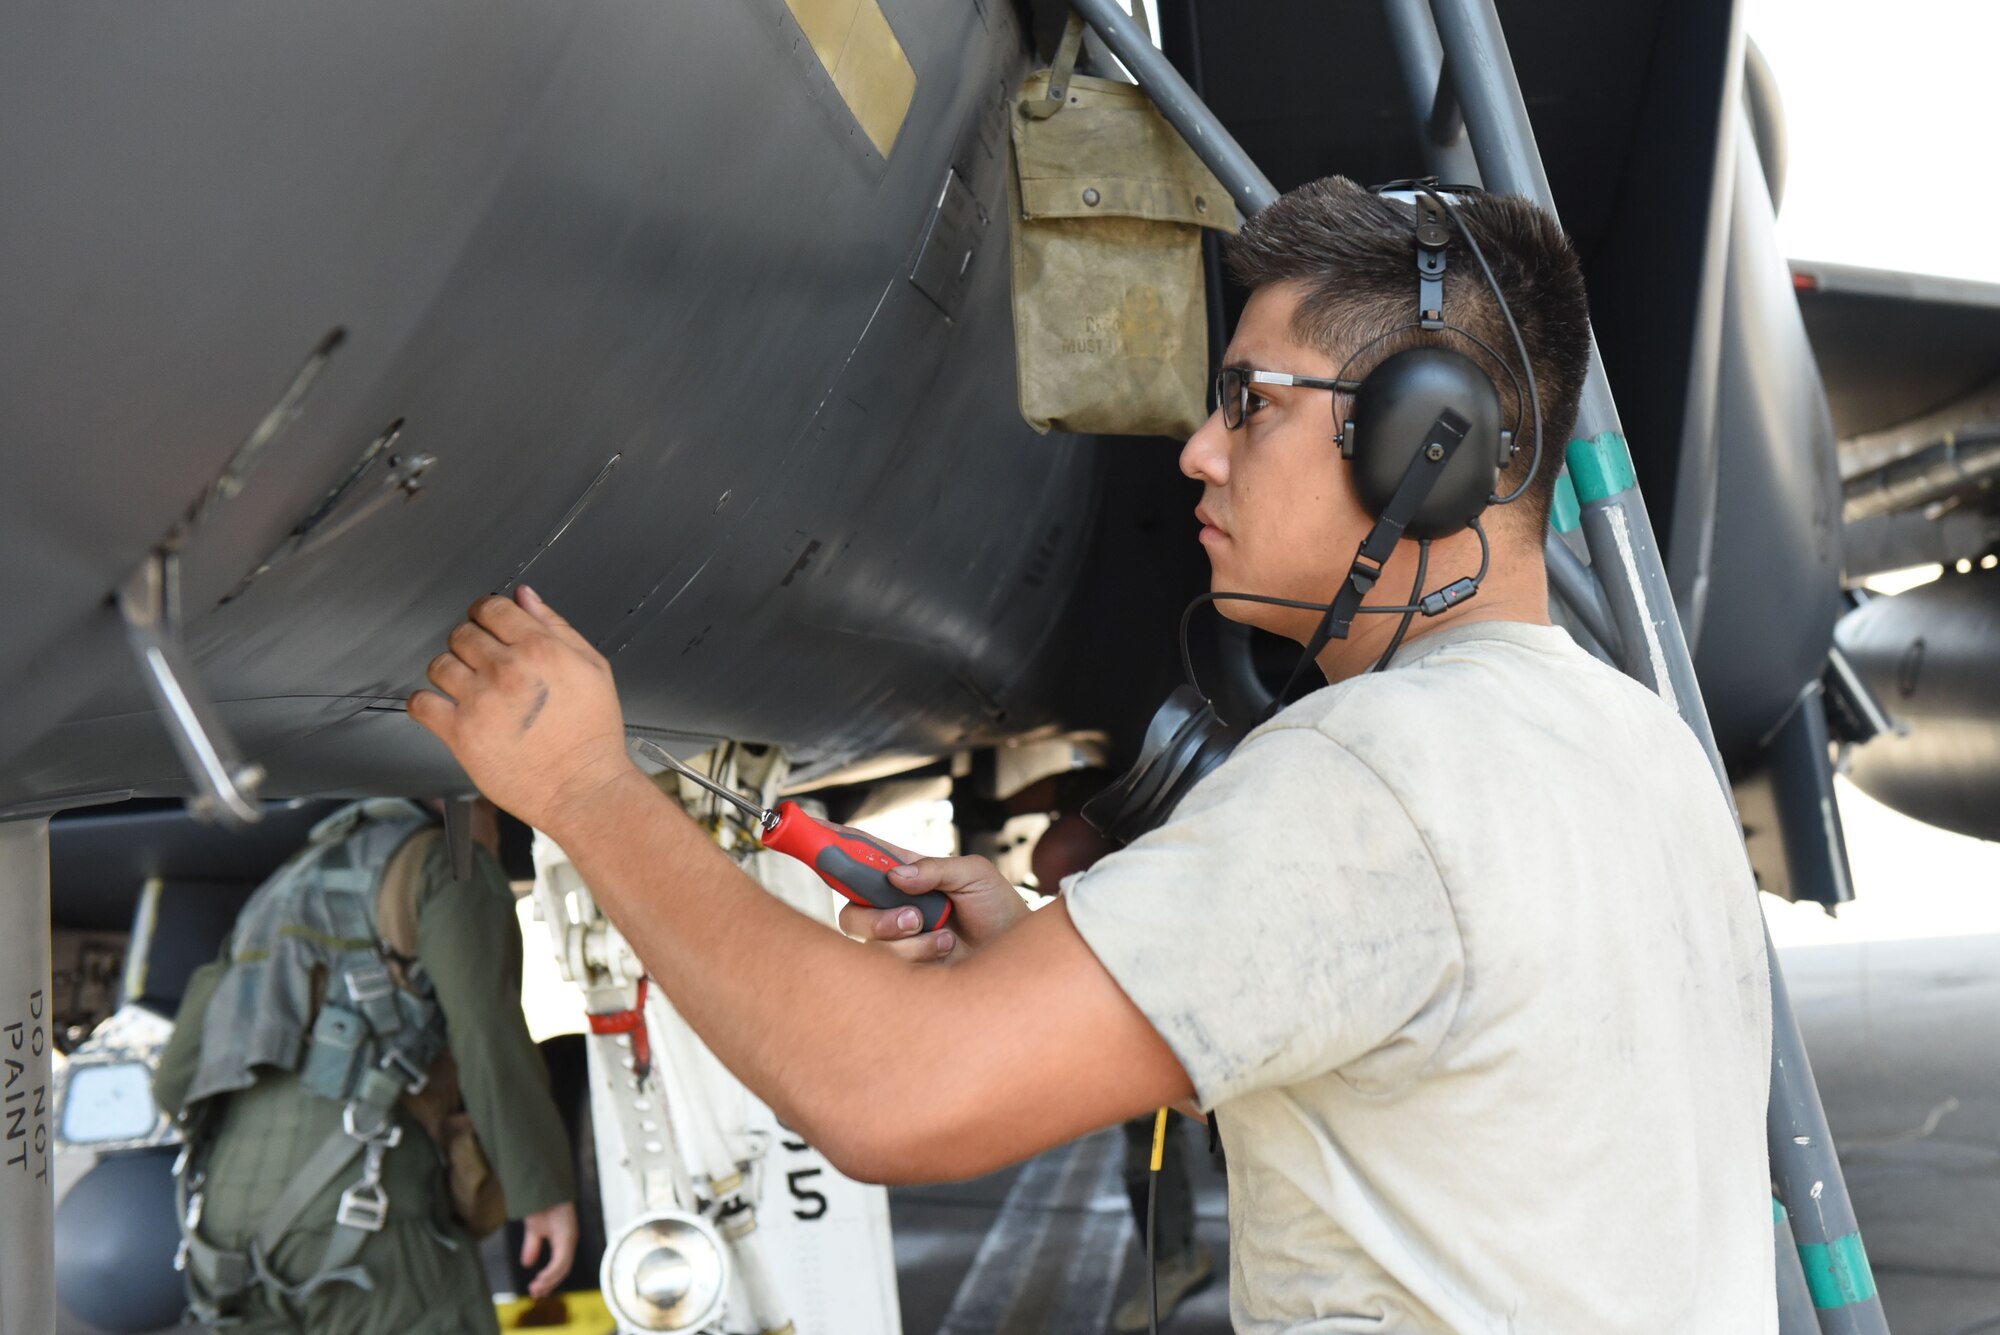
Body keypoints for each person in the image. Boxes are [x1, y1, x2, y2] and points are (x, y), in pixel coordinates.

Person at [407, 176, 1776, 1332]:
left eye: (1249, 402)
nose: (1195, 449)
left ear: (1426, 442)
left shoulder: (1378, 771)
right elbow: (1447, 1073)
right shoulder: (1633, 743)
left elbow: (893, 1093)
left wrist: (585, 786)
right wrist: (1063, 952)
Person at [153, 797, 580, 1334]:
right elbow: (488, 1035)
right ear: (468, 806)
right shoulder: (451, 861)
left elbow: (174, 1082)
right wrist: (542, 1191)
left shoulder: (281, 886)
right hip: (365, 1218)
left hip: (223, 1227)